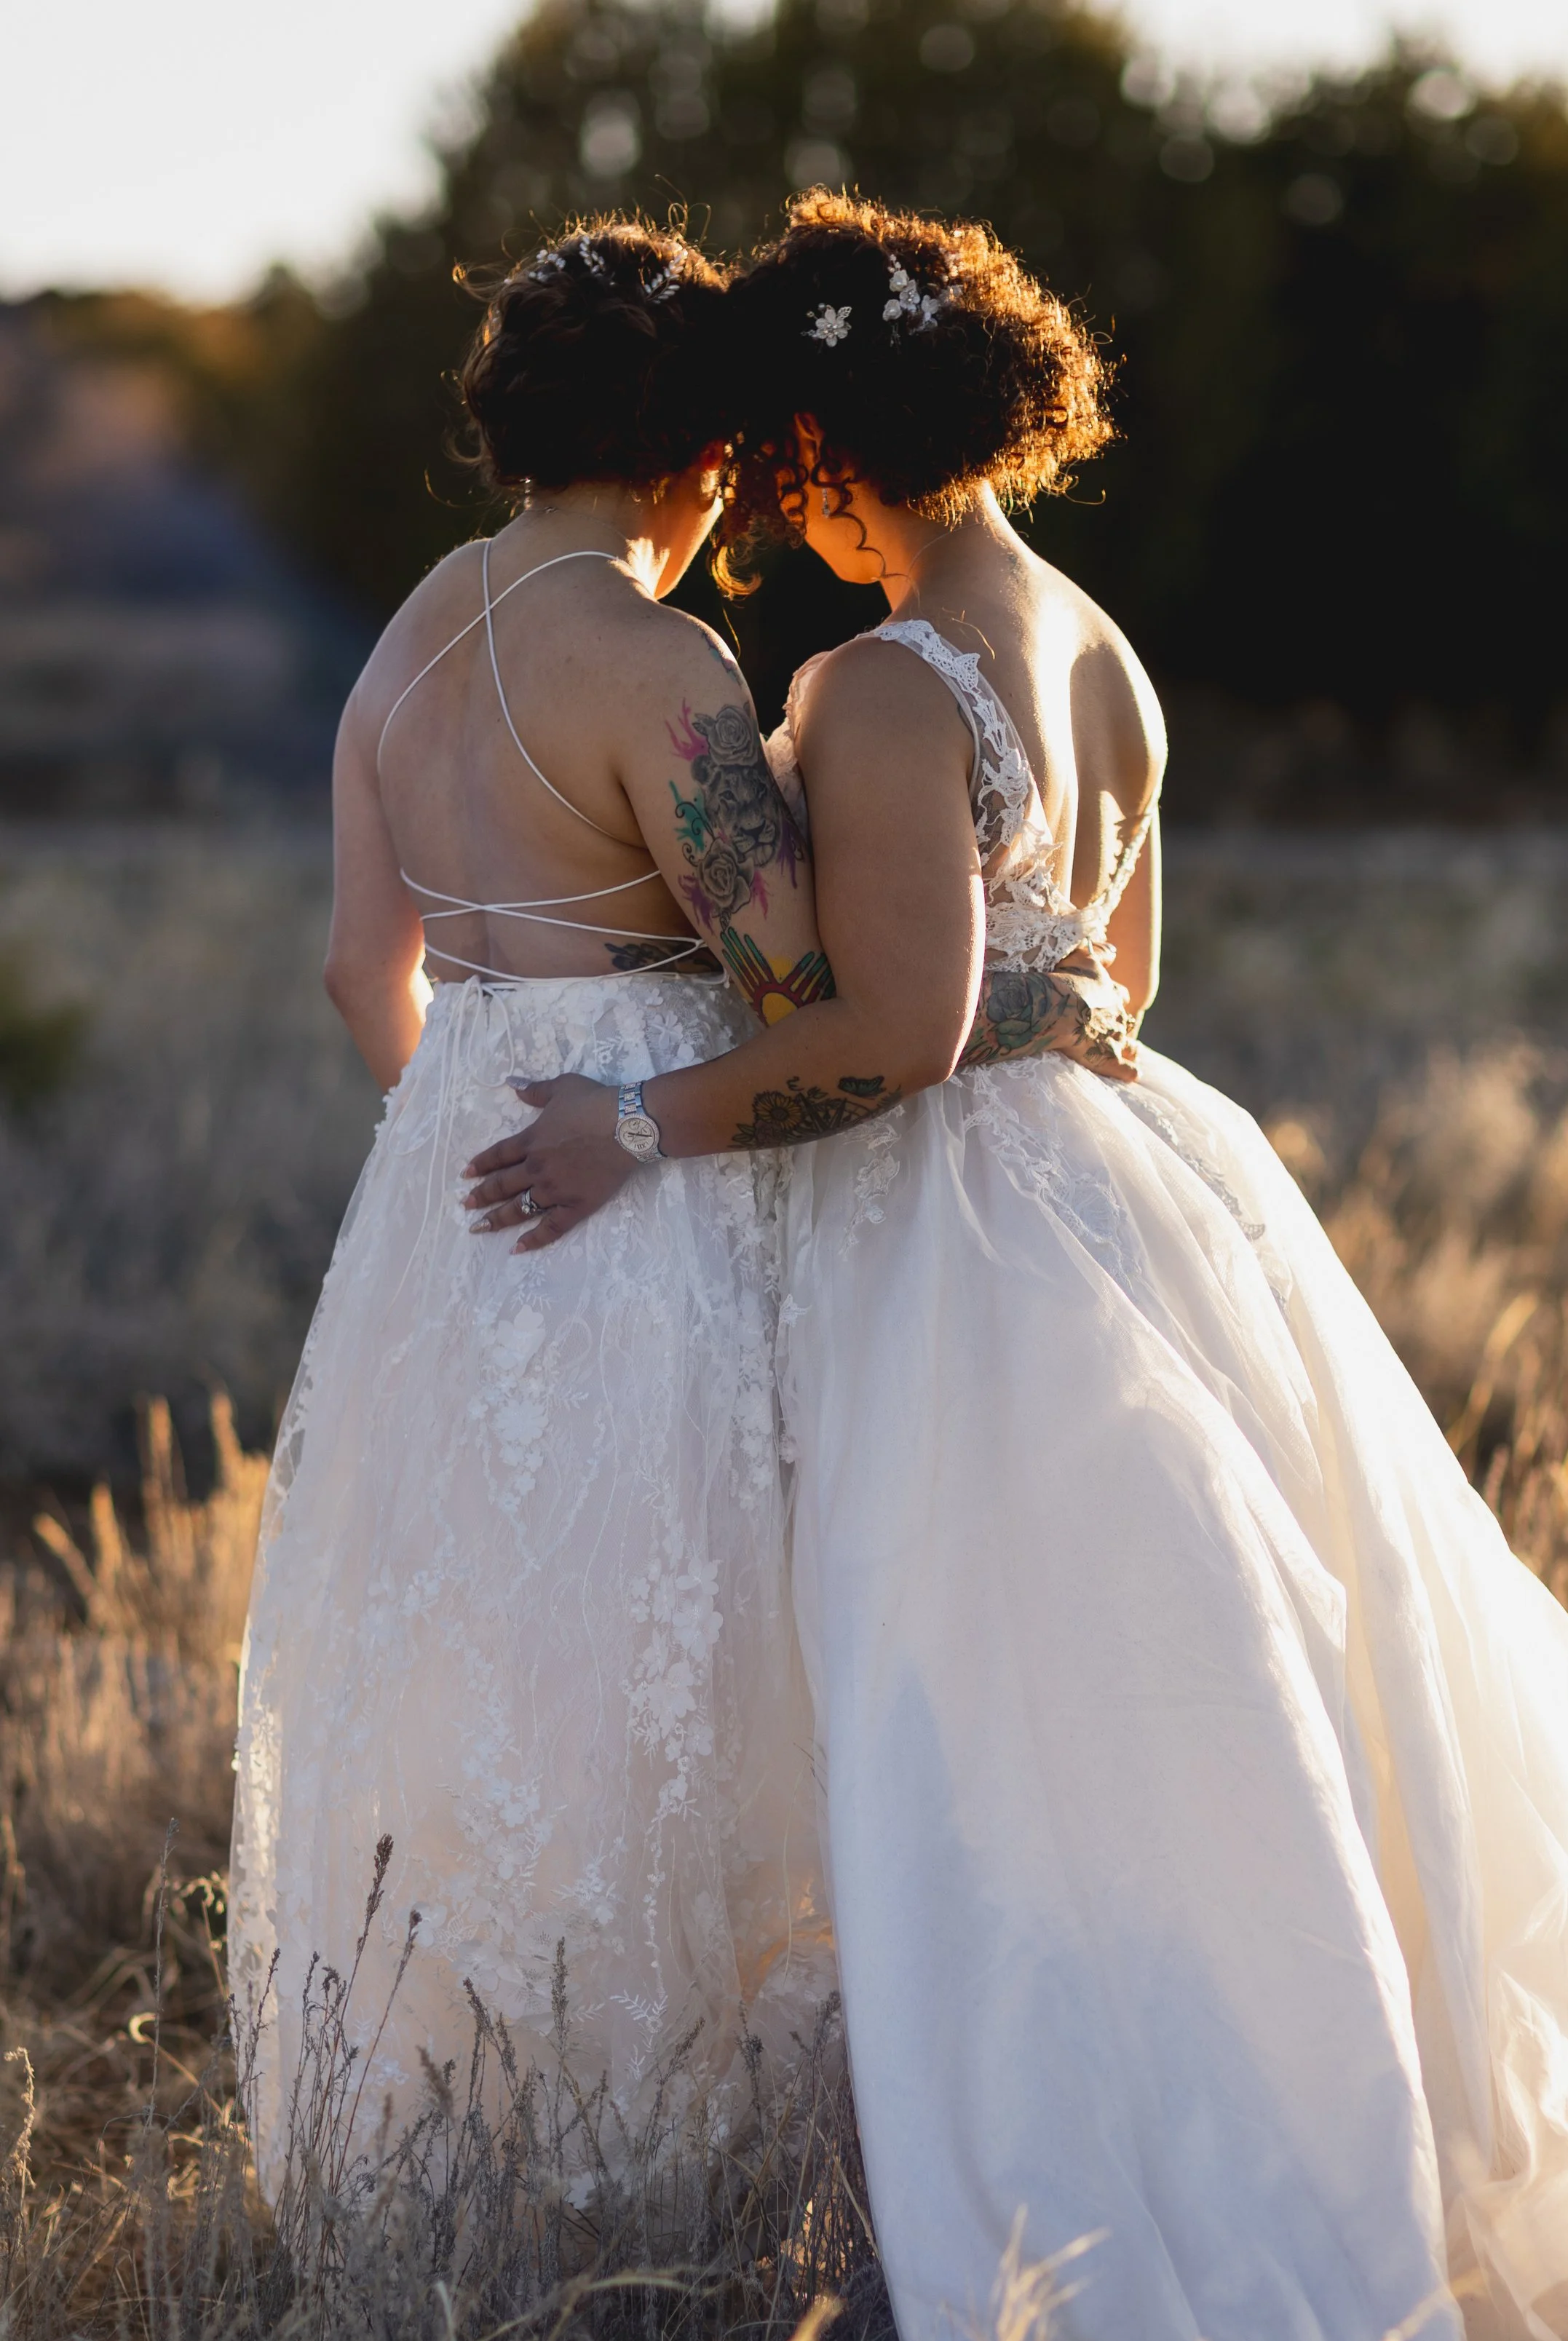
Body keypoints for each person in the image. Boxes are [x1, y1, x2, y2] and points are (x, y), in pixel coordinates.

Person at [461, 196, 1568, 2341]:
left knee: (1010, 1766)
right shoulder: (1097, 645)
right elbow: (1114, 973)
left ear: (808, 443)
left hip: (971, 1246)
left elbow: (886, 1039)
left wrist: (636, 1120)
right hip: (1151, 1191)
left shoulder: (880, 690)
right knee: (1241, 1743)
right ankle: (1323, 2260)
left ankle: (1113, 2332)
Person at [227, 215, 1128, 2185]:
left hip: (453, 1198)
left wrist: (469, 1127)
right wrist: (1025, 985)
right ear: (694, 452)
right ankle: (664, 2155)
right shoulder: (658, 666)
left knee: (473, 1666)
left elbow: (354, 971)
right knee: (685, 1678)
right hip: (645, 1187)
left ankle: (431, 2140)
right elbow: (814, 996)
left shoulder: (407, 631)